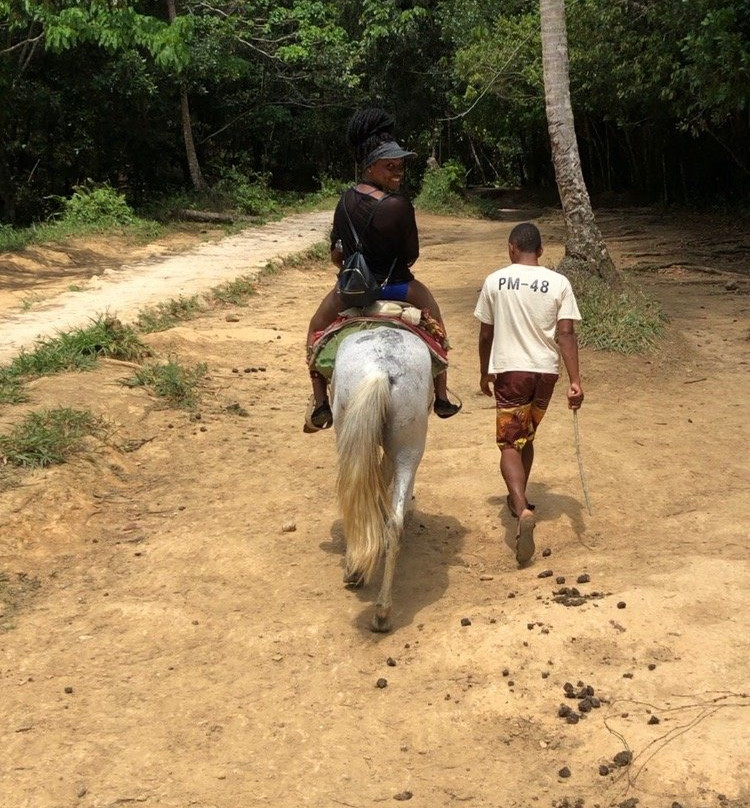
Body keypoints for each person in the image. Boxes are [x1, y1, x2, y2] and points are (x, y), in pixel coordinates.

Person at [304, 108, 461, 432]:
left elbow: (336, 253)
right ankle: (442, 396)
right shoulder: (399, 205)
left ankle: (319, 402)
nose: (398, 172)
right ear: (370, 167)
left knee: (315, 329)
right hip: (398, 287)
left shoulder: (344, 201)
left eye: (400, 166)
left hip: (351, 291)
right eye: (390, 166)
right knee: (436, 322)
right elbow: (411, 255)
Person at [474, 222, 584, 564]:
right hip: (545, 373)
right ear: (540, 250)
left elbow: (486, 334)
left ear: (511, 247)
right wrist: (575, 381)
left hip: (511, 371)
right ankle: (517, 496)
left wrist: (484, 371)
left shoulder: (495, 281)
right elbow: (566, 334)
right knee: (527, 435)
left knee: (510, 442)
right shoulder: (559, 283)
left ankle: (521, 508)